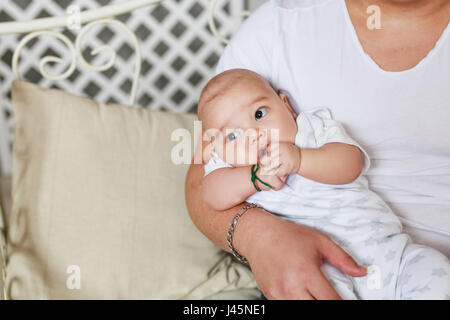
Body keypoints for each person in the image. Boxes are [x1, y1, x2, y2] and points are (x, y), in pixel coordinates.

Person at [185, 0, 450, 299]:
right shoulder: (279, 26)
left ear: (286, 105)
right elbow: (206, 191)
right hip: (319, 266)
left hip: (394, 254)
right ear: (216, 146)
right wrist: (256, 216)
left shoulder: (311, 130)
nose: (252, 135)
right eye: (232, 136)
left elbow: (351, 163)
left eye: (259, 115)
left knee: (434, 271)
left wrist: (300, 159)